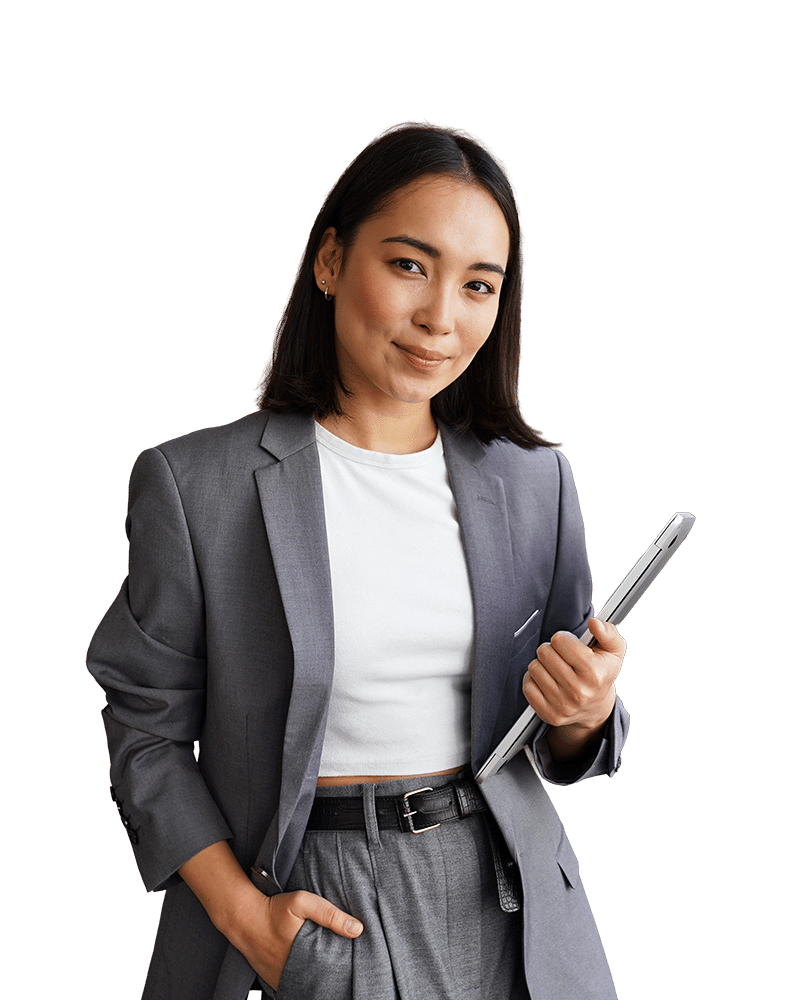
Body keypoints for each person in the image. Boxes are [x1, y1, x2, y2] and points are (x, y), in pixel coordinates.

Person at [88, 120, 630, 1000]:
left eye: (479, 284)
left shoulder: (535, 483)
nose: (440, 318)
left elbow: (560, 736)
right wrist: (243, 917)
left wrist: (586, 709)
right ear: (331, 261)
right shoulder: (195, 486)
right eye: (410, 265)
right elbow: (144, 731)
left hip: (513, 901)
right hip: (310, 896)